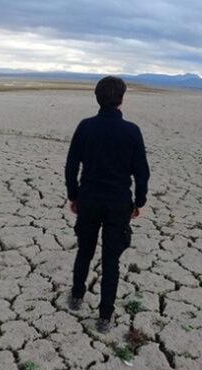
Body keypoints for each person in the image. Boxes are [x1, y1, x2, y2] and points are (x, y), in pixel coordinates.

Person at [64, 76, 150, 333]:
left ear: (97, 97)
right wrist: (139, 201)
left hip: (88, 200)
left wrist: (74, 195)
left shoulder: (85, 127)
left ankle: (77, 297)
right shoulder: (131, 131)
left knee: (84, 251)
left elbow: (71, 166)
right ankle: (104, 317)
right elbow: (142, 173)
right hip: (117, 204)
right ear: (122, 99)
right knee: (111, 261)